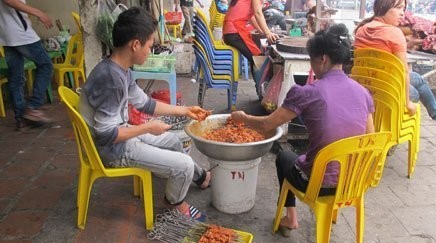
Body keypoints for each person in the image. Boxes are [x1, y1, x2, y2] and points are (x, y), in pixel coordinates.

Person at [231, 24, 375, 237]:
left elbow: (265, 125)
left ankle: (290, 218)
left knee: (284, 156)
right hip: (355, 182)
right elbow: (370, 139)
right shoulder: (363, 93)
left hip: (318, 184)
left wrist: (242, 117)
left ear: (323, 59)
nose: (312, 66)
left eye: (312, 60)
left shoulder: (307, 92)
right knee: (312, 154)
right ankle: (326, 212)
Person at [79, 7, 212, 221]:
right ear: (135, 45)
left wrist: (184, 110)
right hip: (113, 150)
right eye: (150, 46)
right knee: (184, 164)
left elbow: (145, 104)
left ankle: (201, 177)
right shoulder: (111, 80)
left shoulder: (120, 68)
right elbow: (104, 135)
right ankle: (174, 204)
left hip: (123, 133)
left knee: (175, 143)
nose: (151, 51)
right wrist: (149, 127)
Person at [354, 0, 436, 134]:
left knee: (417, 78)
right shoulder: (395, 33)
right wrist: (407, 103)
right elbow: (403, 71)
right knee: (414, 89)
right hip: (387, 92)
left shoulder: (362, 29)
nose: (402, 13)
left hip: (367, 84)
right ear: (383, 7)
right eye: (398, 8)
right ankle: (393, 131)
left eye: (403, 9)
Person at [0, 0, 54, 131]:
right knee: (46, 65)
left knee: (16, 77)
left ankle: (21, 119)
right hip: (20, 32)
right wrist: (38, 12)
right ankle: (33, 107)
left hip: (6, 34)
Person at [223, 0, 279, 65]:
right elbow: (258, 13)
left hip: (229, 33)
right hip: (235, 33)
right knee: (258, 59)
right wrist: (268, 33)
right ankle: (263, 74)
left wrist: (261, 31)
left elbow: (251, 17)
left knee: (256, 56)